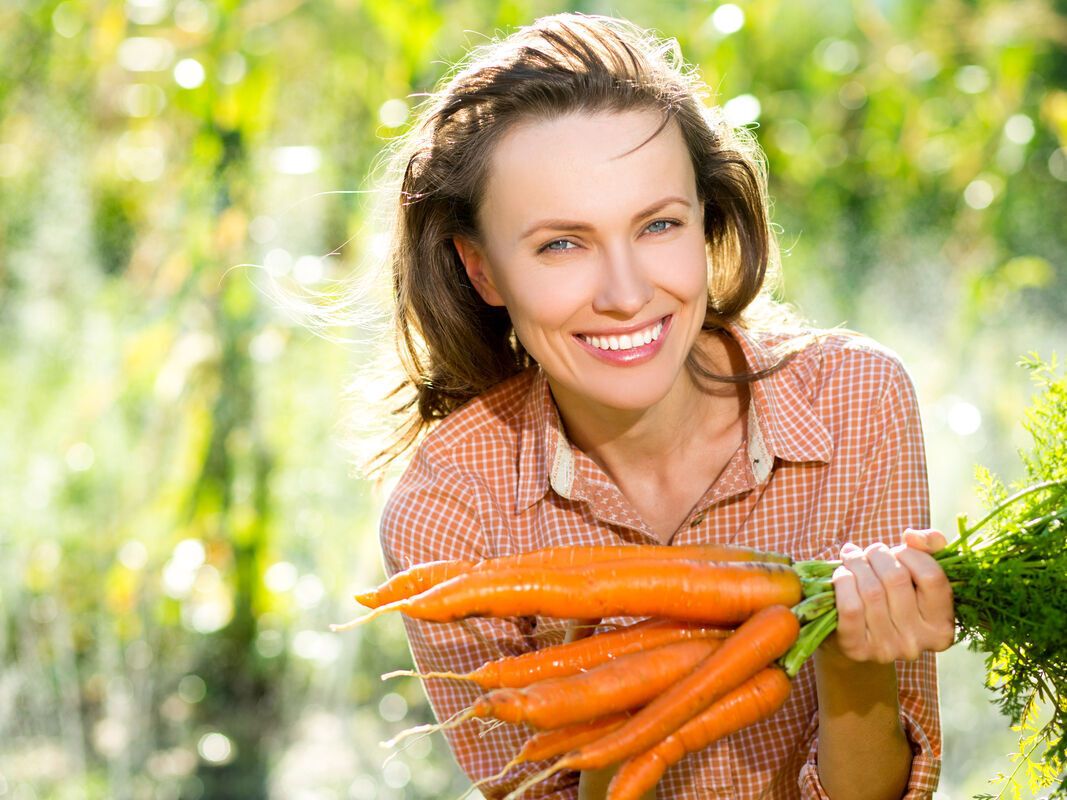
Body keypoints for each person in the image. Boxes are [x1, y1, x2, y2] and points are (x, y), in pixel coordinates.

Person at [372, 12, 955, 799]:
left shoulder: (854, 403)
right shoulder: (452, 513)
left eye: (657, 225)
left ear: (705, 222)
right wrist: (614, 725)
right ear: (482, 271)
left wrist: (857, 666)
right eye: (560, 244)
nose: (625, 294)